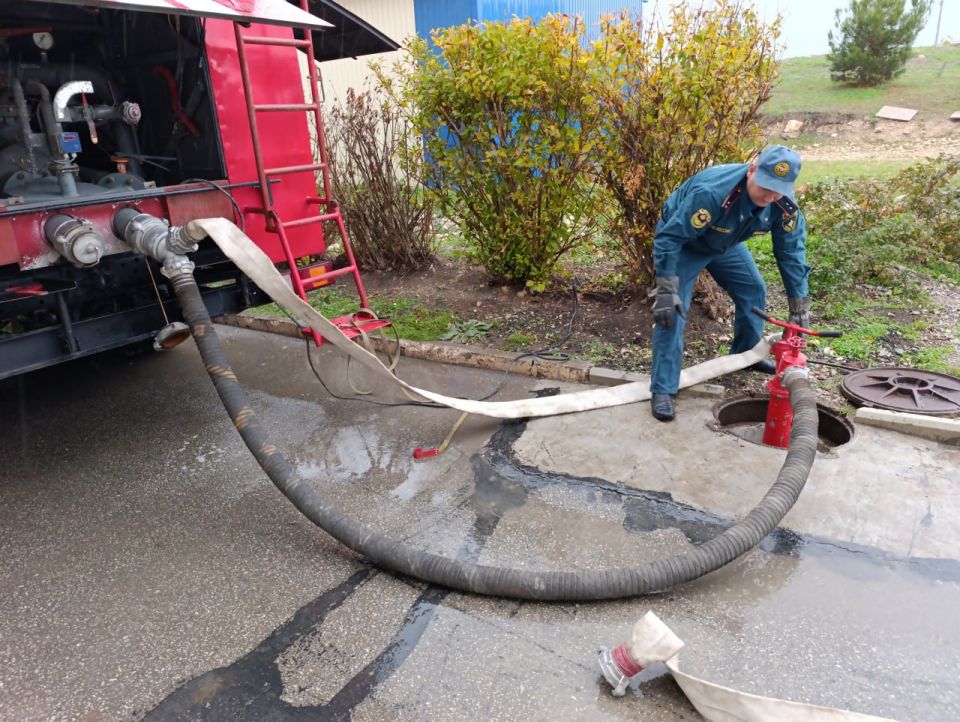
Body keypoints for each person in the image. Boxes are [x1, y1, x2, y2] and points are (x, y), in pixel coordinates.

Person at [649, 145, 811, 422]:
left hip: (725, 242)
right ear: (751, 171)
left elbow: (791, 253)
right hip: (686, 243)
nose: (770, 196)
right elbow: (669, 238)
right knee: (672, 310)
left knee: (753, 291)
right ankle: (663, 388)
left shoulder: (785, 206)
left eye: (777, 190)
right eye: (765, 187)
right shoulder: (711, 193)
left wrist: (799, 304)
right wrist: (666, 287)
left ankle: (746, 355)